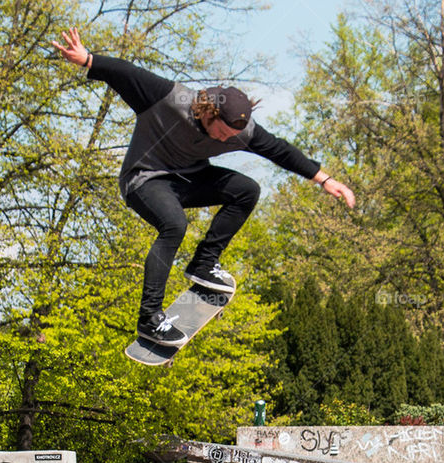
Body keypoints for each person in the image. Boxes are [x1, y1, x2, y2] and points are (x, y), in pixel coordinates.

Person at [51, 28, 356, 347]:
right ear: (208, 111)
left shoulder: (243, 132)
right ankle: (149, 319)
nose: (225, 140)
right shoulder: (169, 99)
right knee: (174, 225)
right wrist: (87, 59)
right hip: (143, 180)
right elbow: (127, 73)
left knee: (247, 190)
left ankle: (203, 264)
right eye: (220, 132)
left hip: (187, 181)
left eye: (230, 136)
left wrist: (325, 179)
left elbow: (279, 149)